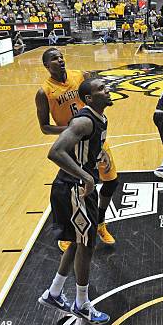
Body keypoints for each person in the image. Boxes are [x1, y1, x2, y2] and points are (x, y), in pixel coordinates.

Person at [38, 78, 112, 325]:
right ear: (89, 98)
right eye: (101, 88)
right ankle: (82, 304)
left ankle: (54, 293)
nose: (107, 89)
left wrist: (99, 157)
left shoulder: (99, 118)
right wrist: (85, 176)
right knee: (87, 244)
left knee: (78, 241)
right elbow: (55, 152)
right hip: (73, 189)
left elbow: (86, 148)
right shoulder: (83, 121)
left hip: (78, 187)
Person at [35, 48, 119, 251]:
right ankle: (69, 232)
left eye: (61, 57)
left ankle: (99, 222)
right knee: (70, 189)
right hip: (73, 143)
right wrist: (74, 129)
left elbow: (95, 93)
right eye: (54, 59)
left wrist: (87, 127)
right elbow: (45, 127)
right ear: (47, 66)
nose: (60, 60)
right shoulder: (44, 92)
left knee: (111, 183)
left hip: (95, 138)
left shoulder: (80, 76)